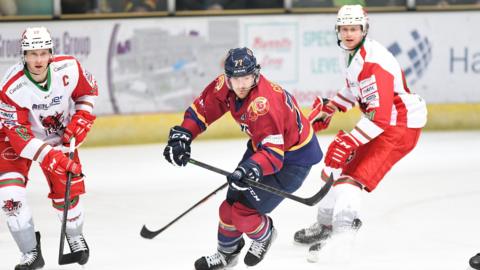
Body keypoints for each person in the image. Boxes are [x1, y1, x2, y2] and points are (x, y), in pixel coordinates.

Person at [163, 47, 323, 270]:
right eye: (235, 79)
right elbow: (202, 111)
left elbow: (274, 157)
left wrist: (249, 169)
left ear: (255, 74)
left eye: (246, 77)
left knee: (243, 212)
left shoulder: (264, 104)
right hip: (263, 149)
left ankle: (265, 234)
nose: (241, 84)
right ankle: (226, 255)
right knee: (228, 207)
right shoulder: (225, 85)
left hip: (293, 159)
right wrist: (185, 134)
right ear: (227, 77)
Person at [293, 4, 427, 263]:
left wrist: (350, 140)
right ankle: (325, 225)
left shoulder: (374, 63)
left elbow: (381, 116)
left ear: (364, 29)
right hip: (385, 121)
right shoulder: (354, 54)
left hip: (399, 127)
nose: (348, 33)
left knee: (351, 179)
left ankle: (342, 234)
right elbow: (355, 90)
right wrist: (333, 106)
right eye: (344, 29)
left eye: (354, 28)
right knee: (340, 169)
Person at [0, 27, 98, 269]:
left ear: (51, 53)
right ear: (23, 55)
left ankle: (74, 237)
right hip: (12, 139)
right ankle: (30, 252)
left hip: (57, 134)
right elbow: (20, 138)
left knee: (68, 191)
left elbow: (87, 91)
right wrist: (52, 158)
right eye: (32, 54)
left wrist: (82, 117)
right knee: (9, 195)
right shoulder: (11, 88)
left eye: (43, 53)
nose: (38, 60)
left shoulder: (69, 68)